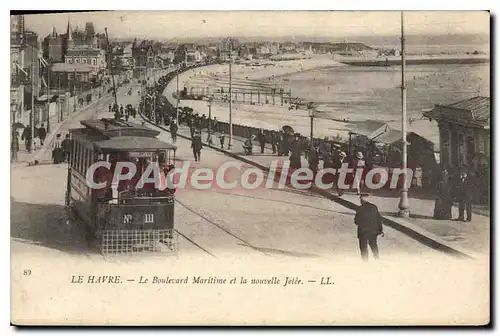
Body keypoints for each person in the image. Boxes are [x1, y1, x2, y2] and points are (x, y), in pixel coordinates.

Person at [354, 193, 384, 261]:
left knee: (363, 248)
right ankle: (377, 258)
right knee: (374, 245)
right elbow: (379, 219)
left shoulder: (359, 208)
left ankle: (365, 262)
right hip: (373, 231)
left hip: (363, 232)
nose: (360, 200)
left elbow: (356, 221)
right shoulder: (374, 207)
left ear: (361, 199)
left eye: (360, 199)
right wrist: (380, 230)